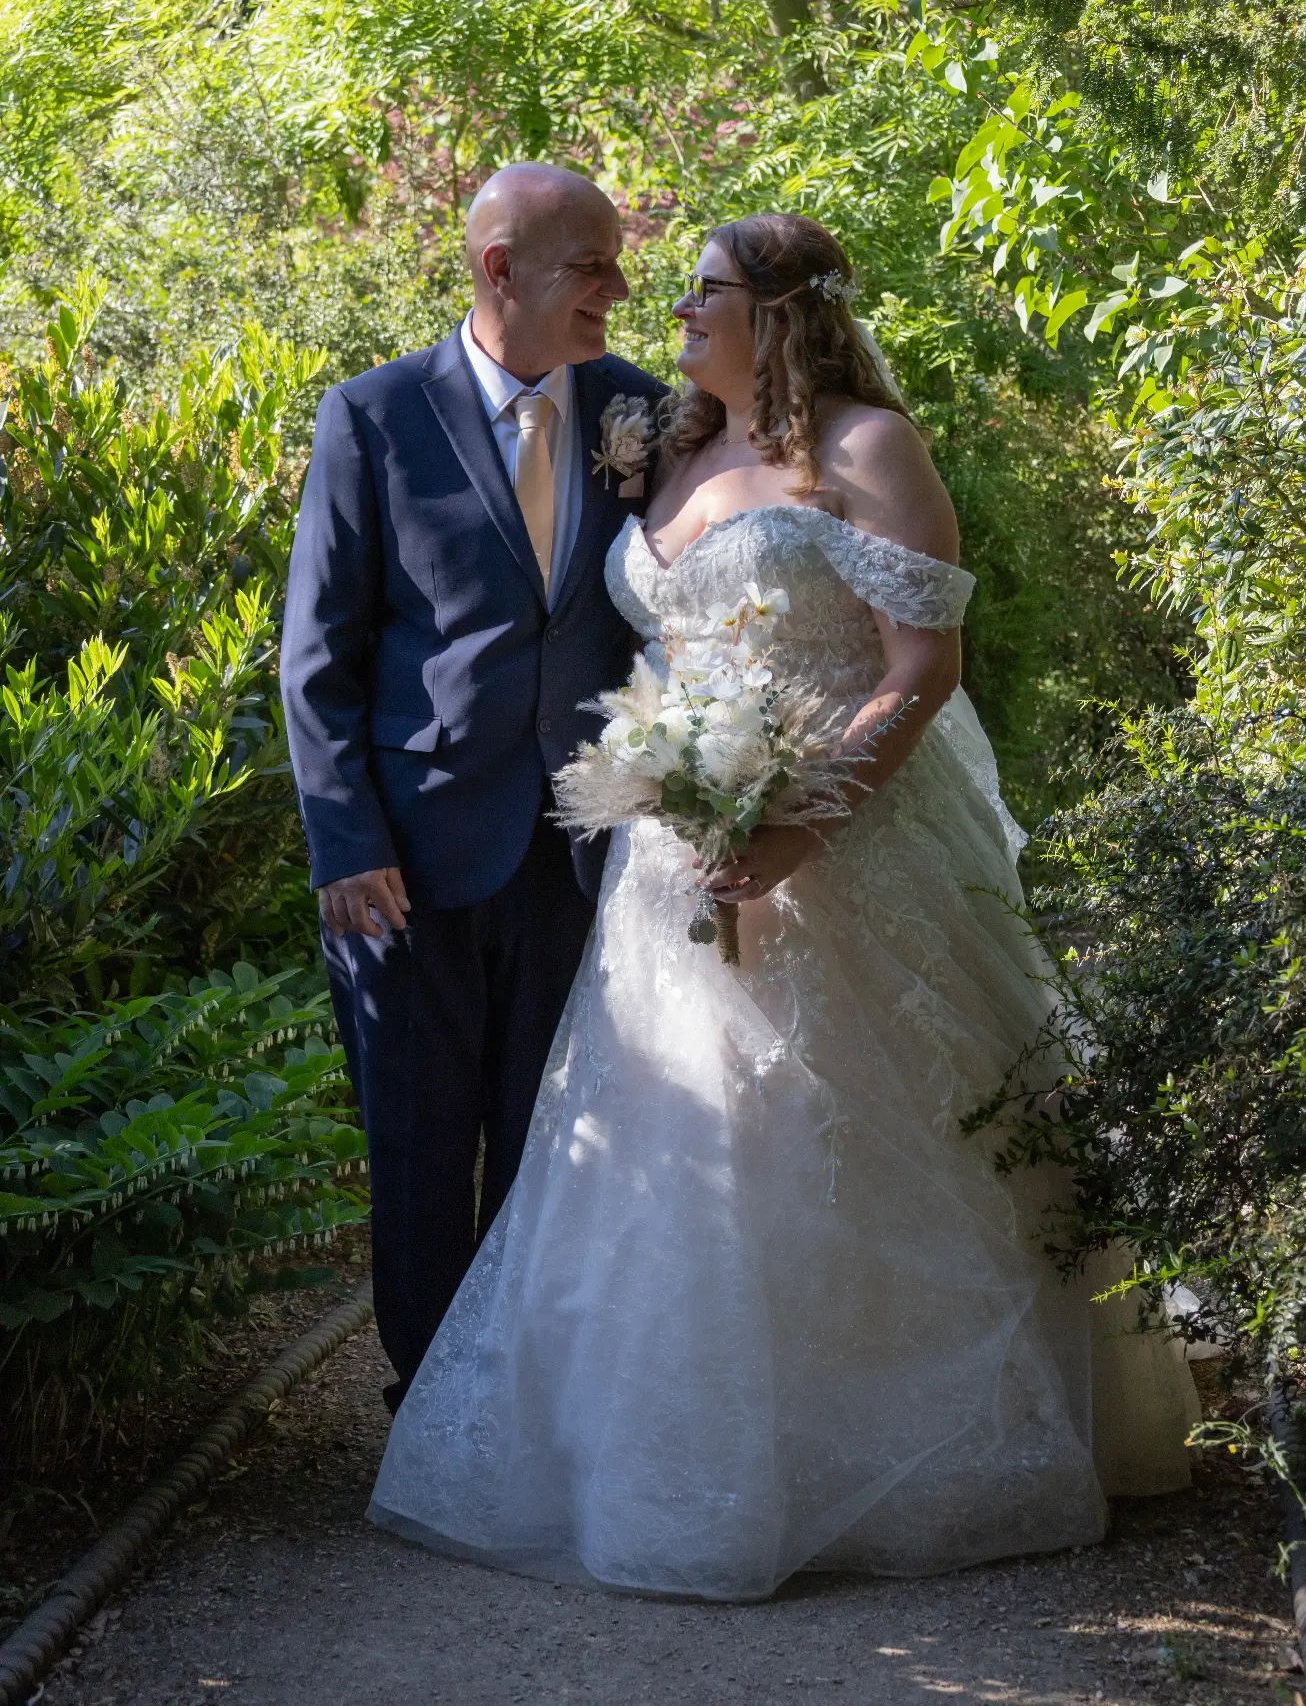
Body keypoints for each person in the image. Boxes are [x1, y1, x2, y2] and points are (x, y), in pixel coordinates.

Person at [368, 212, 1199, 1596]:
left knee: (852, 1127)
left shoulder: (866, 449)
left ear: (780, 311)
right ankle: (664, 1465)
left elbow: (921, 664)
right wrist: (679, 792)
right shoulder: (672, 441)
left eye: (698, 293)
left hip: (845, 838)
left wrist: (799, 818)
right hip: (670, 856)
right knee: (679, 1141)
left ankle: (893, 1456)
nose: (671, 314)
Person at [280, 163, 670, 1412]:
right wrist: (346, 846)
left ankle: (516, 1394)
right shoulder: (373, 417)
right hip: (411, 855)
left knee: (552, 1137)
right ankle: (429, 1397)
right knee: (420, 1138)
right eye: (591, 264)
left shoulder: (642, 414)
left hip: (579, 844)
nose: (617, 287)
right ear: (500, 269)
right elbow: (318, 661)